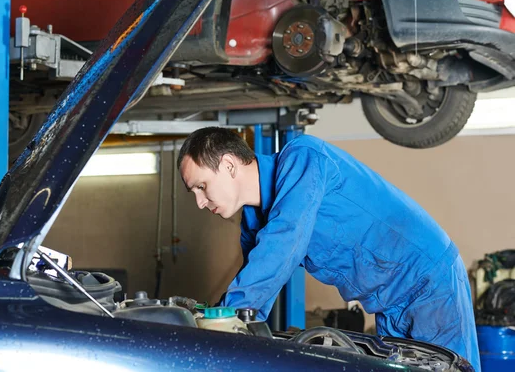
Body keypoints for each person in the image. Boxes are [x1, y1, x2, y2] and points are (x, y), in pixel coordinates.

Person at [177, 127, 480, 371]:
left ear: (229, 165)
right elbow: (252, 288)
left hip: (428, 281)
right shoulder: (254, 220)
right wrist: (215, 316)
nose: (200, 203)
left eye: (201, 187)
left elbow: (284, 243)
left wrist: (223, 324)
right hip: (387, 303)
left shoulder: (303, 158)